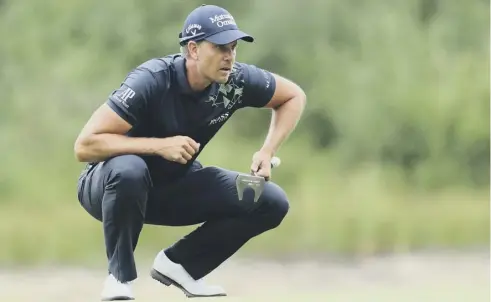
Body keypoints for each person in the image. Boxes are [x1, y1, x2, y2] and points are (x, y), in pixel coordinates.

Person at [74, 4, 306, 301]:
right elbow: (85, 145)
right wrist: (158, 145)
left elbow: (292, 96)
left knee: (269, 200)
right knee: (130, 168)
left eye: (233, 48)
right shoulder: (153, 79)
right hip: (109, 187)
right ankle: (118, 280)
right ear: (193, 50)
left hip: (172, 187)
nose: (230, 57)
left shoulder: (234, 82)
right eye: (220, 47)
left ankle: (181, 265)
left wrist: (267, 149)